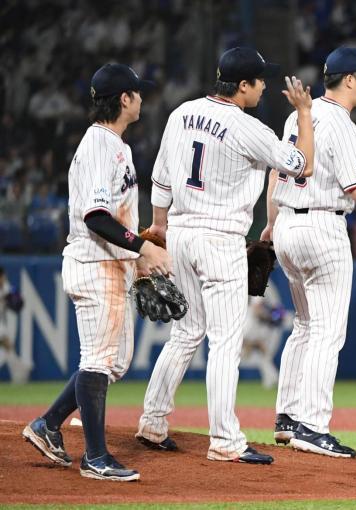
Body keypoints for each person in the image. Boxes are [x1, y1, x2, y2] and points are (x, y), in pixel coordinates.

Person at [138, 47, 315, 464]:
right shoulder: (247, 127)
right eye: (259, 80)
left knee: (185, 332)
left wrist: (158, 227)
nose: (264, 85)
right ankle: (225, 439)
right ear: (242, 86)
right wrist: (305, 114)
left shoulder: (180, 113)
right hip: (220, 239)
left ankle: (152, 421)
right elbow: (301, 166)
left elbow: (161, 178)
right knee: (225, 341)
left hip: (180, 232)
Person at [22, 64, 170, 481]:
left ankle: (48, 424)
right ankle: (96, 457)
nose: (142, 97)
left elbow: (109, 216)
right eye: (137, 92)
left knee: (115, 362)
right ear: (124, 99)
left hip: (111, 263)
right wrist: (140, 247)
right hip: (94, 264)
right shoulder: (100, 145)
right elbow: (95, 217)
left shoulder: (113, 144)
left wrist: (136, 249)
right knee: (99, 359)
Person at [265, 46, 356, 458]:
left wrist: (270, 224)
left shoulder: (297, 116)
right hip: (322, 226)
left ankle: (288, 418)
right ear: (350, 79)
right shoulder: (343, 126)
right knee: (327, 332)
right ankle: (312, 426)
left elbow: (277, 169)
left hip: (287, 221)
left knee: (304, 326)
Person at [240, 296, 286, 388]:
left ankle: (272, 380)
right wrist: (253, 345)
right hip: (241, 344)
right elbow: (242, 339)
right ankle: (273, 380)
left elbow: (276, 316)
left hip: (252, 340)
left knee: (264, 359)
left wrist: (256, 344)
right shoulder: (248, 317)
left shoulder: (258, 318)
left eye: (261, 306)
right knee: (239, 357)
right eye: (258, 306)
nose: (261, 308)